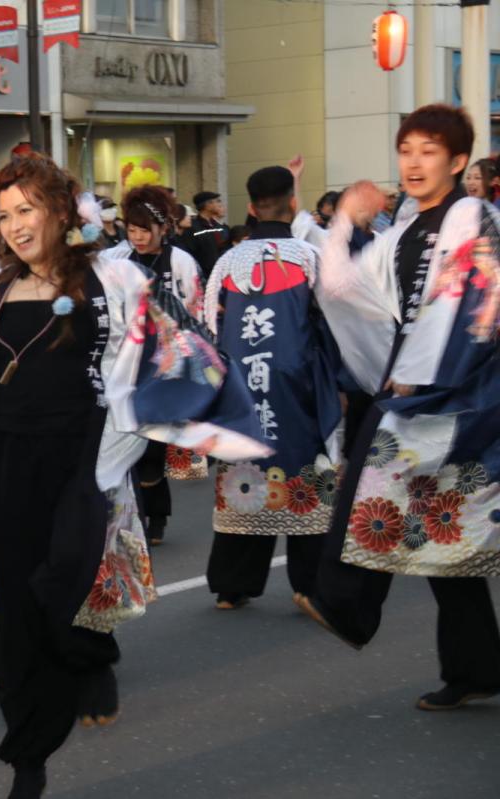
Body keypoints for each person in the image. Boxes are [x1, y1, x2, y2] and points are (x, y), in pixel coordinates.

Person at [0, 113, 268, 798]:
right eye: (3, 213)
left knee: (62, 579)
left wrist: (184, 426)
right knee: (13, 607)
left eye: (26, 208)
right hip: (8, 457)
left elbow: (168, 354)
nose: (13, 224)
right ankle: (29, 753)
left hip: (83, 458)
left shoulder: (114, 281)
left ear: (61, 210)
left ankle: (89, 651)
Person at [298, 104, 500, 712]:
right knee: (443, 530)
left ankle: (346, 606)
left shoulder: (471, 215)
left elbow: (470, 303)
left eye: (428, 151)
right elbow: (345, 289)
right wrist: (343, 223)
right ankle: (476, 667)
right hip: (421, 385)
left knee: (373, 482)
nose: (412, 162)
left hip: (459, 388)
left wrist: (421, 376)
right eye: (406, 149)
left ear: (458, 161)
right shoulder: (408, 226)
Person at [203, 164, 342, 610]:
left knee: (245, 477)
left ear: (249, 206)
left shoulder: (227, 262)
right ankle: (309, 585)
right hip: (300, 389)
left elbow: (210, 327)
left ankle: (232, 585)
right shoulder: (309, 258)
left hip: (242, 392)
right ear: (294, 204)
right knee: (306, 476)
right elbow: (334, 326)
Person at [104, 186, 206, 547]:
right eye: (132, 229)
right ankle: (139, 515)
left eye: (145, 229)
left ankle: (156, 516)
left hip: (167, 363)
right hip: (126, 364)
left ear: (164, 227)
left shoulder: (180, 262)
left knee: (154, 444)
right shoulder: (115, 258)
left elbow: (196, 311)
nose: (138, 237)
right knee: (129, 439)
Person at [185, 190, 231, 277]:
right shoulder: (193, 227)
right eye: (216, 201)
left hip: (220, 275)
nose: (219, 204)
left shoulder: (218, 226)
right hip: (202, 276)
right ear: (207, 205)